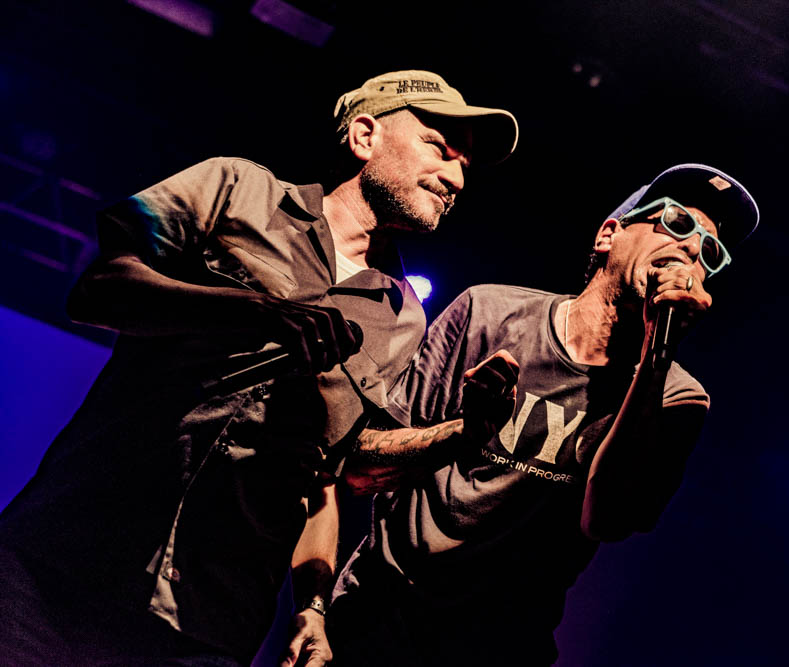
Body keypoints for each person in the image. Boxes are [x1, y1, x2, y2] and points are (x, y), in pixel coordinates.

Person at [0, 70, 517, 666]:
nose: (455, 177)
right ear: (365, 136)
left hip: (211, 621)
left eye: (465, 167)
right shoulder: (237, 187)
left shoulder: (403, 318)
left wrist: (313, 607)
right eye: (439, 147)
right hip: (64, 558)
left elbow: (323, 475)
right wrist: (256, 311)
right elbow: (97, 289)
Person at [328, 164, 760, 666]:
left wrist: (657, 352)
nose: (692, 249)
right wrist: (465, 433)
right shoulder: (487, 313)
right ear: (608, 234)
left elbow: (609, 519)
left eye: (712, 251)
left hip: (502, 646)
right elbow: (361, 471)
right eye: (678, 223)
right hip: (373, 621)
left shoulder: (678, 396)